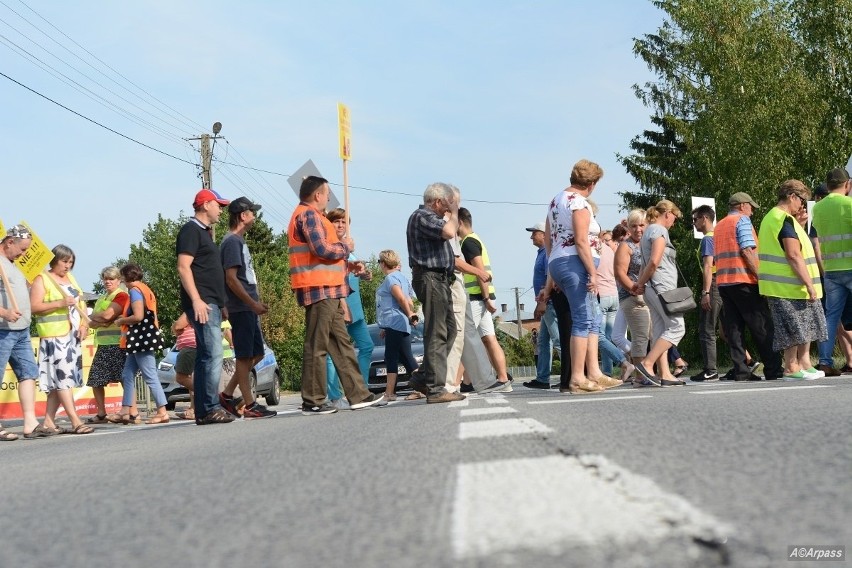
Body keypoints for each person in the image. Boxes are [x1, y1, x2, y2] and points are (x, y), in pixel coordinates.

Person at [287, 175, 386, 414]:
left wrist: (348, 265)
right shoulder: (309, 215)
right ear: (317, 195)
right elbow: (321, 249)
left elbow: (324, 256)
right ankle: (313, 400)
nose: (329, 197)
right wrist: (346, 248)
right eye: (327, 193)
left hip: (328, 289)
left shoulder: (315, 216)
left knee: (341, 345)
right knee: (317, 345)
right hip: (318, 289)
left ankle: (358, 394)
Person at [546, 159, 618, 393]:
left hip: (561, 261)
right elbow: (580, 240)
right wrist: (592, 272)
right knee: (583, 319)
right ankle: (577, 377)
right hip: (575, 263)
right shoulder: (578, 203)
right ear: (593, 183)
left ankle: (594, 373)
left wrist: (552, 267)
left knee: (593, 318)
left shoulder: (556, 200)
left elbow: (548, 237)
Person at [177, 188, 236, 425]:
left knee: (206, 355)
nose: (221, 210)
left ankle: (204, 409)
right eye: (218, 205)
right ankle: (210, 407)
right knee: (212, 354)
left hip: (211, 303)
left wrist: (221, 303)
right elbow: (184, 267)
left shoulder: (204, 232)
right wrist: (197, 300)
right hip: (202, 303)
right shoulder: (191, 230)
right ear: (205, 205)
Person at [757, 180, 827, 380]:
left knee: (802, 327)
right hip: (787, 286)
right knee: (792, 328)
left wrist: (800, 224)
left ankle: (802, 364)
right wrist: (809, 284)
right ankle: (791, 367)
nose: (802, 206)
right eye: (802, 200)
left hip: (787, 286)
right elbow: (793, 255)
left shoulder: (779, 218)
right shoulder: (783, 220)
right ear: (791, 196)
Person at [405, 182, 466, 403]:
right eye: (448, 203)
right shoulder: (422, 215)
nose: (450, 208)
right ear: (438, 201)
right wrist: (455, 211)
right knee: (437, 332)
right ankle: (436, 388)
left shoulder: (433, 218)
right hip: (430, 278)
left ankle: (423, 377)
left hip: (439, 279)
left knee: (449, 330)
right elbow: (451, 231)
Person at [218, 196, 277, 419]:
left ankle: (226, 394)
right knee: (244, 356)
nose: (255, 216)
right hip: (242, 307)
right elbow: (231, 279)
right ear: (243, 216)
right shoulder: (232, 242)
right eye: (252, 212)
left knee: (257, 353)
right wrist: (251, 304)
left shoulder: (239, 241)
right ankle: (250, 405)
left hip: (247, 306)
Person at [714, 192, 783, 381]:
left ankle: (741, 371)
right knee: (761, 326)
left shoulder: (719, 225)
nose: (752, 211)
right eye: (751, 207)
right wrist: (761, 278)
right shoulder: (742, 221)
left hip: (724, 283)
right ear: (742, 205)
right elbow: (747, 250)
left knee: (734, 329)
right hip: (744, 280)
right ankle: (773, 369)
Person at [29, 244, 93, 434]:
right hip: (54, 336)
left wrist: (83, 325)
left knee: (61, 380)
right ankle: (75, 421)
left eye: (71, 262)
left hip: (72, 336)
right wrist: (60, 303)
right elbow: (34, 307)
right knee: (63, 379)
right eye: (64, 261)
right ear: (54, 260)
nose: (68, 266)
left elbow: (80, 302)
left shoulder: (71, 278)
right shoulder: (42, 279)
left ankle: (49, 421)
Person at [323, 208, 375, 408]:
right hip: (340, 307)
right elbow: (334, 278)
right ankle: (335, 396)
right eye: (337, 222)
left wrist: (366, 274)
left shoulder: (349, 251)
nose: (341, 225)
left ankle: (361, 389)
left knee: (367, 346)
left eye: (344, 222)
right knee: (333, 352)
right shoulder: (332, 248)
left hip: (356, 310)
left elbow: (358, 273)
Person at [457, 207, 513, 389]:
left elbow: (480, 271)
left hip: (477, 297)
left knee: (466, 339)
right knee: (489, 338)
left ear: (459, 223)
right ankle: (503, 378)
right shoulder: (476, 238)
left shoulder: (467, 242)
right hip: (483, 297)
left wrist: (486, 297)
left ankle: (461, 382)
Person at [631, 200, 686, 387]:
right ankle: (647, 364)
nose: (674, 222)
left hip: (652, 288)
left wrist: (640, 284)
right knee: (678, 327)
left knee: (661, 330)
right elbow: (654, 262)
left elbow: (646, 263)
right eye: (675, 218)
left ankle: (665, 374)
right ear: (668, 214)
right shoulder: (659, 231)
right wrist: (642, 283)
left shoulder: (648, 232)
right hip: (662, 287)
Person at [112, 262, 170, 424]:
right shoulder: (145, 289)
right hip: (142, 338)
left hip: (141, 338)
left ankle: (162, 411)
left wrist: (121, 320)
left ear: (126, 277)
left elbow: (138, 316)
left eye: (122, 277)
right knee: (127, 374)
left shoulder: (135, 291)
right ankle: (125, 410)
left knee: (150, 375)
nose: (121, 281)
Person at [0, 225, 42, 439]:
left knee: (28, 374)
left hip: (21, 329)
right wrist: (4, 312)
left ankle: (30, 422)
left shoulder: (11, 265)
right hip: (2, 330)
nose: (23, 254)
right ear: (9, 242)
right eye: (22, 249)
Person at [812, 168, 852, 376]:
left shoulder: (817, 209)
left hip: (831, 270)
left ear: (827, 186)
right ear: (848, 185)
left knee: (830, 318)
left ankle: (825, 363)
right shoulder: (849, 204)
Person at [85, 266, 129, 423]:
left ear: (119, 280)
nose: (108, 281)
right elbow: (92, 323)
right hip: (103, 345)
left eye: (111, 278)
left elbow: (108, 314)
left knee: (125, 378)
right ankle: (102, 413)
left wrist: (100, 317)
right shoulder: (102, 298)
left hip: (119, 344)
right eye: (105, 278)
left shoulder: (122, 295)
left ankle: (129, 410)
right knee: (96, 379)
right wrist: (101, 319)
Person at [613, 209, 652, 382]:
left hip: (650, 296)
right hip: (632, 297)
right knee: (639, 336)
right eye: (634, 226)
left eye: (642, 225)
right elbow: (620, 273)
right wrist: (634, 289)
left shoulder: (649, 243)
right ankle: (641, 376)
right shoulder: (625, 246)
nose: (638, 229)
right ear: (628, 227)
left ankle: (648, 372)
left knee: (652, 335)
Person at [375, 250, 418, 401]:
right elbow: (409, 300)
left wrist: (410, 314)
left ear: (383, 263)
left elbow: (400, 298)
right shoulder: (402, 278)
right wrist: (410, 315)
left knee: (391, 357)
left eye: (379, 262)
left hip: (395, 322)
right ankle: (423, 387)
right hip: (397, 323)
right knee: (406, 357)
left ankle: (389, 392)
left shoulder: (390, 278)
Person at [596, 229, 634, 380]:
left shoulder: (593, 249)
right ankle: (607, 372)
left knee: (598, 336)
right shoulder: (610, 250)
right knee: (608, 337)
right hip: (614, 295)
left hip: (601, 296)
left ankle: (624, 361)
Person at [691, 205, 722, 381]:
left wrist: (705, 292)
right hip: (724, 284)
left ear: (705, 218)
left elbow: (708, 266)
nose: (694, 223)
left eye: (695, 219)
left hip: (714, 285)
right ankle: (747, 362)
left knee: (707, 329)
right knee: (727, 329)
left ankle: (710, 369)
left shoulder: (708, 240)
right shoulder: (718, 236)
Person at [527, 221, 560, 389]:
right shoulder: (541, 253)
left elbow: (550, 279)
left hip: (550, 302)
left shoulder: (547, 252)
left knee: (558, 340)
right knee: (543, 341)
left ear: (544, 234)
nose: (531, 236)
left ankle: (569, 374)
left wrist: (543, 302)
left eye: (535, 233)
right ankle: (542, 378)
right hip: (545, 302)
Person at [171, 312, 197, 420]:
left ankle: (207, 394)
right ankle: (193, 409)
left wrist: (175, 326)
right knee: (192, 378)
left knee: (181, 377)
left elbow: (177, 326)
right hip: (194, 346)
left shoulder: (189, 310)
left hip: (189, 347)